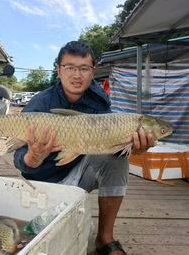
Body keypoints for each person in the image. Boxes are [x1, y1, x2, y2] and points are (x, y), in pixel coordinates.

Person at [13, 41, 156, 255]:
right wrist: (33, 158)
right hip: (41, 181)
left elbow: (110, 144)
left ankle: (104, 238)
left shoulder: (99, 101)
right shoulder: (39, 104)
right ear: (59, 70)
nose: (76, 75)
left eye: (84, 68)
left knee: (118, 158)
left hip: (78, 172)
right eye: (70, 67)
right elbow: (18, 158)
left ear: (92, 72)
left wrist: (129, 147)